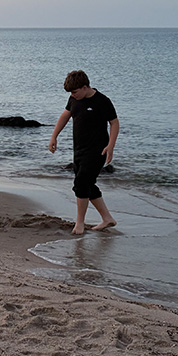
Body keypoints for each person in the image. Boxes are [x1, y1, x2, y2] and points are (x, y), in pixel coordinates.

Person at [48, 70, 119, 235]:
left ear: (85, 87)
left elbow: (114, 123)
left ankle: (79, 223)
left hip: (98, 150)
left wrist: (111, 146)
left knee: (81, 184)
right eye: (71, 93)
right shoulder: (74, 99)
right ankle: (107, 219)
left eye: (75, 92)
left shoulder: (102, 101)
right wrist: (54, 136)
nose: (72, 95)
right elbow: (65, 116)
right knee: (87, 184)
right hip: (79, 149)